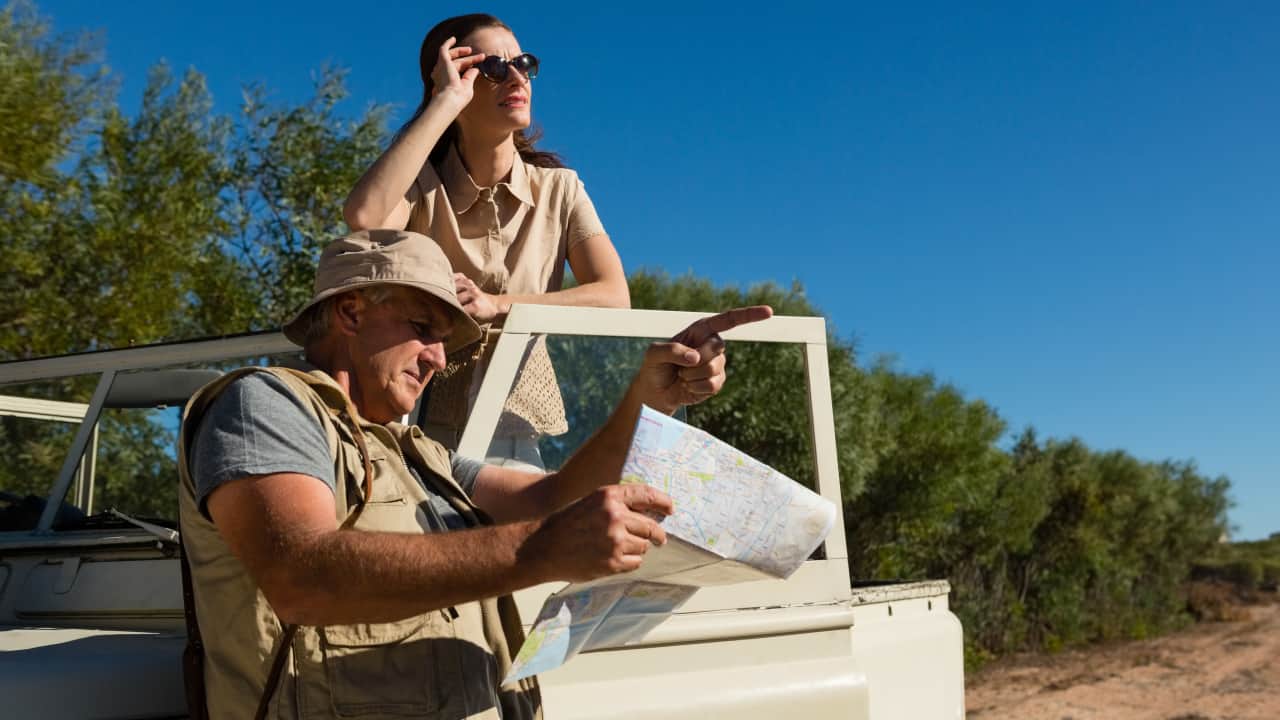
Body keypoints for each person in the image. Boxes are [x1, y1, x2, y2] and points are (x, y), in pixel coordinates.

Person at [176, 229, 772, 720]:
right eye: (422, 329)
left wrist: (649, 400)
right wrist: (542, 550)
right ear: (351, 312)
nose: (438, 357)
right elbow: (301, 575)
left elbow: (554, 496)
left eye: (443, 339)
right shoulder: (266, 405)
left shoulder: (422, 454)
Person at [343, 13, 628, 467]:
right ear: (453, 80)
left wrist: (498, 305)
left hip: (513, 428)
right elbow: (364, 216)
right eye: (494, 68)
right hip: (413, 425)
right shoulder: (419, 187)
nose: (517, 78)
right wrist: (445, 101)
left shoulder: (560, 189)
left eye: (525, 64)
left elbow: (615, 299)